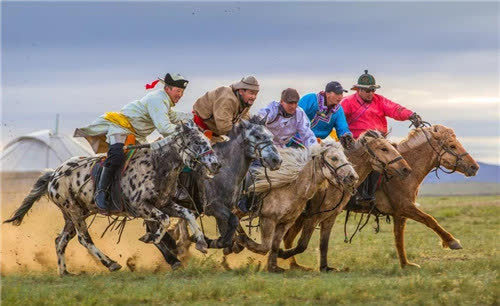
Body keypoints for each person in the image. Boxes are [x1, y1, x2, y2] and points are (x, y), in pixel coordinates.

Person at [74, 73, 191, 213]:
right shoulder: (157, 100)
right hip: (121, 128)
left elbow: (174, 117)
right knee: (116, 156)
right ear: (167, 89)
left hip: (137, 135)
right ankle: (101, 191)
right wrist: (188, 131)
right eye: (178, 91)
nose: (180, 95)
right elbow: (164, 128)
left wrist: (194, 117)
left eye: (182, 92)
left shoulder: (164, 102)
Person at [341, 69, 424, 202]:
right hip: (357, 142)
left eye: (373, 90)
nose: (371, 93)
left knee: (394, 159)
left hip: (379, 141)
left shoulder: (380, 101)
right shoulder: (347, 102)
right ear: (359, 90)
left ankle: (389, 196)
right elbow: (337, 118)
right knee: (375, 161)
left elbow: (395, 109)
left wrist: (410, 115)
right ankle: (360, 195)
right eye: (368, 90)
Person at [237, 88, 317, 213]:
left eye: (295, 103)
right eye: (290, 103)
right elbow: (258, 120)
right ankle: (245, 198)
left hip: (281, 150)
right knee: (255, 170)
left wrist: (316, 152)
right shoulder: (272, 109)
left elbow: (308, 135)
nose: (293, 106)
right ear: (281, 102)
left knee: (292, 173)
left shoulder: (300, 114)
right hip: (264, 147)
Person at [192, 76, 259, 138]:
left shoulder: (245, 102)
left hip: (216, 132)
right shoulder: (227, 98)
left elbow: (244, 119)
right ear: (241, 91)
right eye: (251, 93)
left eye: (255, 94)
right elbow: (224, 127)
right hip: (201, 128)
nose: (254, 97)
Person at [298, 81, 354, 149]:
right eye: (337, 94)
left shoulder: (338, 110)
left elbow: (342, 127)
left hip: (318, 145)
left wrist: (346, 136)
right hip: (297, 140)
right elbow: (296, 116)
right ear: (327, 94)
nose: (340, 97)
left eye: (341, 94)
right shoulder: (311, 99)